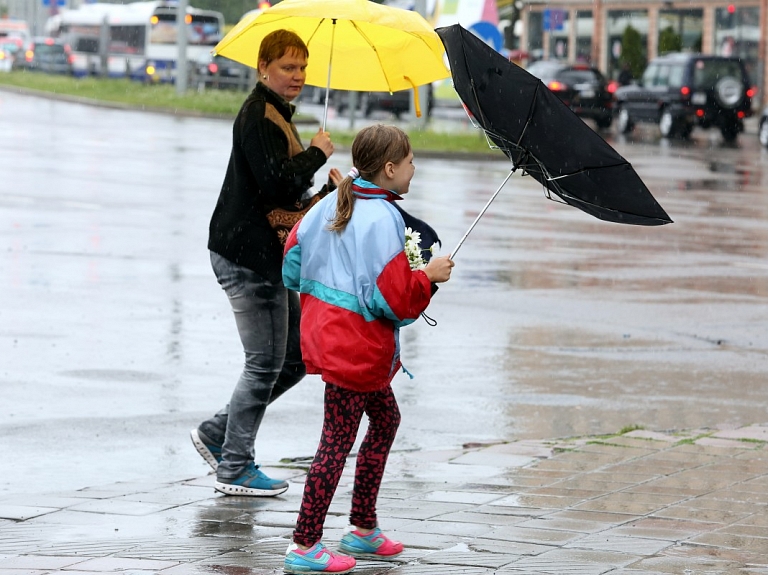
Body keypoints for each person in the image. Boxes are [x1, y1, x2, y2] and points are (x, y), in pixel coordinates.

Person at [281, 125, 455, 574]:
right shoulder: (384, 219)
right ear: (391, 168)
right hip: (355, 345)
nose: (415, 168)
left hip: (330, 333)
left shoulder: (334, 201)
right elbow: (394, 300)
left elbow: (291, 261)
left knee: (385, 418)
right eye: (411, 161)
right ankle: (304, 544)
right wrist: (428, 276)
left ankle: (362, 526)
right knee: (335, 443)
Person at [190, 29, 342, 497]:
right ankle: (235, 466)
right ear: (264, 69)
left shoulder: (277, 114)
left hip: (265, 255)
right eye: (287, 67)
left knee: (294, 359)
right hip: (247, 256)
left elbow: (286, 199)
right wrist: (317, 152)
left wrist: (326, 193)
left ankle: (220, 433)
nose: (297, 75)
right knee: (263, 364)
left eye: (301, 67)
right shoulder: (259, 115)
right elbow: (276, 184)